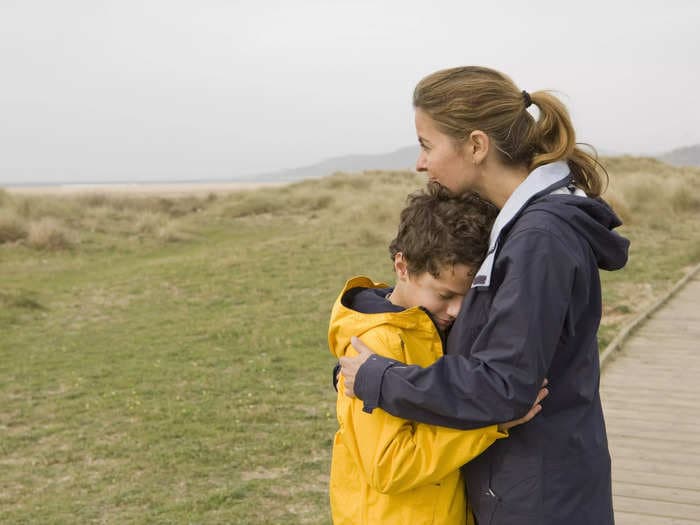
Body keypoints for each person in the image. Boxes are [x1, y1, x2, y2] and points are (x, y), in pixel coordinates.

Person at [339, 66, 630, 525]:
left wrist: (380, 380)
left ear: (476, 145)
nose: (421, 163)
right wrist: (364, 363)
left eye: (426, 144)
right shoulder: (520, 226)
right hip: (527, 485)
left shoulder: (539, 238)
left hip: (539, 501)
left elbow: (504, 386)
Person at [329, 183, 547, 525]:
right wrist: (490, 423)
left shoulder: (433, 327)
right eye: (445, 294)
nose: (458, 310)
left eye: (467, 297)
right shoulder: (377, 344)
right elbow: (389, 467)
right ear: (403, 267)